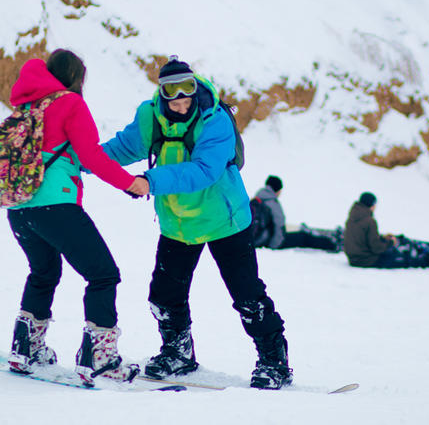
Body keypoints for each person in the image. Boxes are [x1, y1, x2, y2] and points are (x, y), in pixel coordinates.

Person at [101, 56, 293, 390]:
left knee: (247, 295)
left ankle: (274, 363)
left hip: (225, 221)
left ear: (195, 88)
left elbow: (205, 171)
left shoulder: (214, 119)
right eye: (172, 96)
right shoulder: (150, 116)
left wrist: (149, 181)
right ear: (162, 95)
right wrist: (76, 159)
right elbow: (122, 148)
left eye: (186, 94)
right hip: (178, 223)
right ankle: (178, 353)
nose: (181, 102)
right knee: (164, 296)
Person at [4, 49, 148, 383]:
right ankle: (100, 360)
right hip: (56, 207)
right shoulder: (70, 103)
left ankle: (26, 350)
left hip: (19, 209)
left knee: (43, 272)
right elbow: (91, 157)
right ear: (75, 78)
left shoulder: (26, 106)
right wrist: (130, 183)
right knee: (103, 274)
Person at [343, 192, 429, 268]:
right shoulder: (370, 221)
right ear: (372, 205)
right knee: (403, 259)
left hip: (354, 259)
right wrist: (391, 243)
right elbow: (376, 248)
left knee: (394, 249)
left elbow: (363, 237)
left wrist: (382, 238)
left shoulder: (352, 217)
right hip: (366, 260)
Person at [251, 175, 342, 252]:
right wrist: (275, 245)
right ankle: (332, 244)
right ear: (277, 190)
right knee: (303, 237)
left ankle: (310, 232)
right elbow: (279, 224)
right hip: (270, 241)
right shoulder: (271, 202)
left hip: (258, 239)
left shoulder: (257, 199)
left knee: (295, 230)